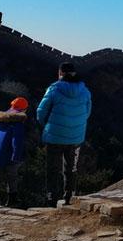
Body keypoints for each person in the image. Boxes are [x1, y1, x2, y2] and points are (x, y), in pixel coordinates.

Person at [37, 61, 91, 207]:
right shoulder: (85, 91)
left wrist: (47, 125)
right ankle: (69, 196)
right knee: (70, 168)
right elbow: (87, 113)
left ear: (60, 73)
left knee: (53, 168)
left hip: (54, 135)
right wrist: (75, 126)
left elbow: (40, 112)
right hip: (75, 137)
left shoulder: (54, 89)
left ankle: (51, 198)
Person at [0, 97, 28, 208]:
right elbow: (17, 140)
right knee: (12, 176)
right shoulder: (17, 122)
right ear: (23, 109)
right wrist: (17, 156)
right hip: (10, 154)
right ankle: (12, 200)